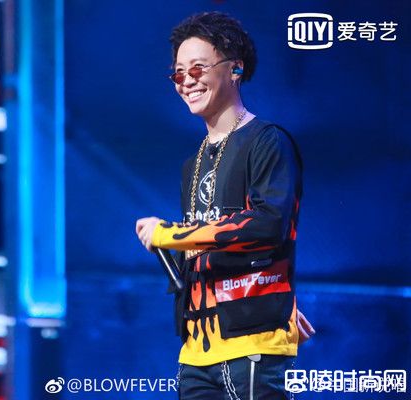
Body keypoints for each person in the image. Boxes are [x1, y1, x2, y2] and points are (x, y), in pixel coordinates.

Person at [135, 12, 315, 399]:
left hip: (251, 345)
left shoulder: (267, 141)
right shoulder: (193, 164)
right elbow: (205, 247)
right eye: (178, 73)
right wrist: (169, 244)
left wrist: (170, 234)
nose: (186, 81)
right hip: (196, 351)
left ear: (235, 68)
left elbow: (267, 224)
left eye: (197, 68)